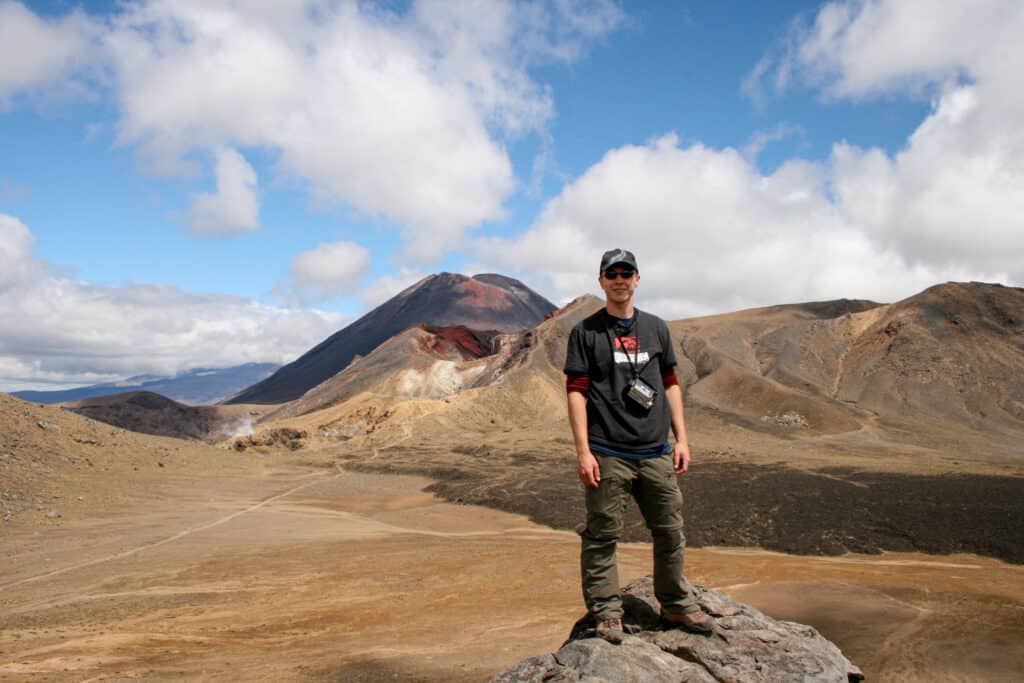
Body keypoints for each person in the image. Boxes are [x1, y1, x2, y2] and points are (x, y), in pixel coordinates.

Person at [564, 248, 714, 642]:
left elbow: (670, 384)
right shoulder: (585, 333)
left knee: (669, 530)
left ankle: (676, 604)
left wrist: (682, 438)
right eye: (611, 273)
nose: (619, 280)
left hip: (656, 452)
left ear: (637, 279)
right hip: (609, 452)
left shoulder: (657, 329)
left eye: (626, 273)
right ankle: (607, 613)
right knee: (602, 535)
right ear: (601, 281)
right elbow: (576, 392)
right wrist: (583, 451)